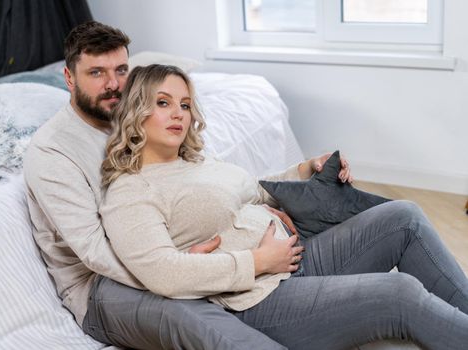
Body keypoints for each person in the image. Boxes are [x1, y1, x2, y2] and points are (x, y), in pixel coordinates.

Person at [100, 63, 468, 350]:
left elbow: (257, 194)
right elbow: (162, 273)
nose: (179, 114)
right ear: (137, 110)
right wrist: (258, 262)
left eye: (184, 104)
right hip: (258, 298)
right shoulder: (131, 191)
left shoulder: (196, 161)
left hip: (297, 259)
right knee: (398, 294)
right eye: (163, 103)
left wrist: (305, 169)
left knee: (404, 217)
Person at [24, 20, 334, 350]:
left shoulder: (137, 117)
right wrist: (177, 270)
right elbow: (93, 251)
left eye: (121, 70)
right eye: (96, 73)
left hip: (170, 252)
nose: (113, 84)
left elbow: (210, 183)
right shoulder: (52, 151)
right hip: (101, 287)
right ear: (70, 78)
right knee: (192, 319)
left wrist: (288, 181)